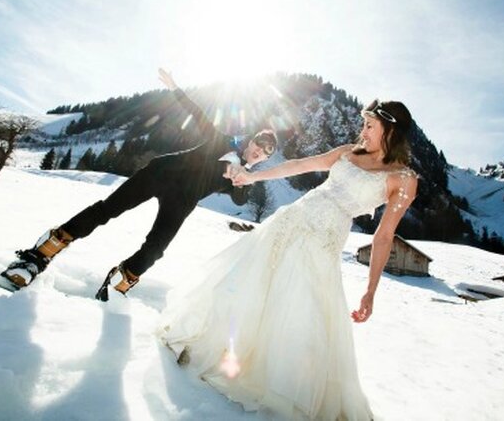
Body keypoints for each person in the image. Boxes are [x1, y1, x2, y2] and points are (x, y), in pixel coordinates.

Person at [157, 98, 418, 420]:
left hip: (323, 240)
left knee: (299, 305)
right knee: (250, 282)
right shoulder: (348, 151)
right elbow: (301, 165)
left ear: (390, 131)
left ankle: (278, 380)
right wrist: (253, 178)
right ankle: (214, 347)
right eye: (363, 124)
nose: (362, 131)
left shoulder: (403, 179)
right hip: (291, 220)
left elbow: (384, 236)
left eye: (369, 126)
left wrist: (370, 291)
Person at [1, 69, 278, 300]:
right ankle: (38, 256)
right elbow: (197, 114)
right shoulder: (221, 141)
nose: (260, 151)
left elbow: (241, 201)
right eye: (259, 144)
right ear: (251, 140)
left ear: (265, 157)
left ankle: (118, 282)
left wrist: (243, 179)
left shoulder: (245, 176)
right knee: (106, 210)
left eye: (267, 152)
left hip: (182, 200)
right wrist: (175, 89)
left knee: (156, 248)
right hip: (158, 175)